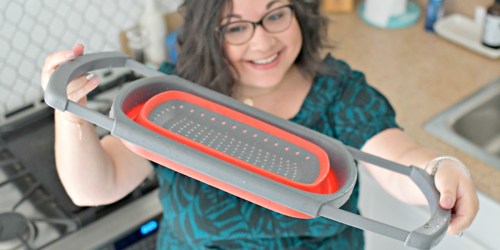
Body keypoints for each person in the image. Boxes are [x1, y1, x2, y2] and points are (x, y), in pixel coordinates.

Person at [41, 0, 479, 249]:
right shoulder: (173, 98)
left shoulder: (339, 92)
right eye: (235, 27)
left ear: (300, 14)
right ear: (209, 33)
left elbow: (398, 159)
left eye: (275, 15)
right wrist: (70, 109)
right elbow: (95, 188)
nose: (263, 41)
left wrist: (439, 170)